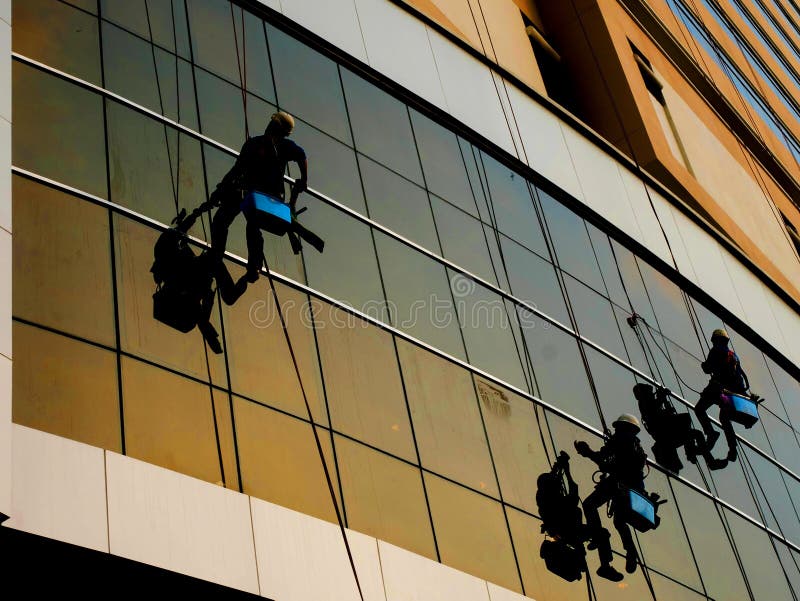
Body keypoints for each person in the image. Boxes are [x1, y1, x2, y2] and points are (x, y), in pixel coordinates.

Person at [193, 111, 308, 281]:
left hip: (269, 197)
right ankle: (216, 256)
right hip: (248, 193)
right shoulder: (254, 144)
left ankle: (254, 265)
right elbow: (237, 169)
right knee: (221, 219)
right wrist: (220, 190)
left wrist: (304, 179)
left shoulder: (283, 147)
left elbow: (301, 156)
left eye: (276, 128)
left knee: (252, 224)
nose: (271, 129)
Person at [574, 414, 647, 582]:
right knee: (619, 521)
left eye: (618, 428)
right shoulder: (634, 445)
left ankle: (600, 539)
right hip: (628, 488)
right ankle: (627, 552)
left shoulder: (622, 440)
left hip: (619, 485)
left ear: (624, 429)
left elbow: (604, 461)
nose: (615, 431)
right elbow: (609, 461)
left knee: (589, 505)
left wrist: (588, 452)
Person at [694, 328, 751, 461]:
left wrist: (704, 366)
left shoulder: (716, 350)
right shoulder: (734, 355)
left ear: (716, 340)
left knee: (699, 409)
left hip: (718, 389)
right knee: (724, 417)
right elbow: (740, 377)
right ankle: (733, 448)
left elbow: (707, 368)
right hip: (732, 393)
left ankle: (711, 433)